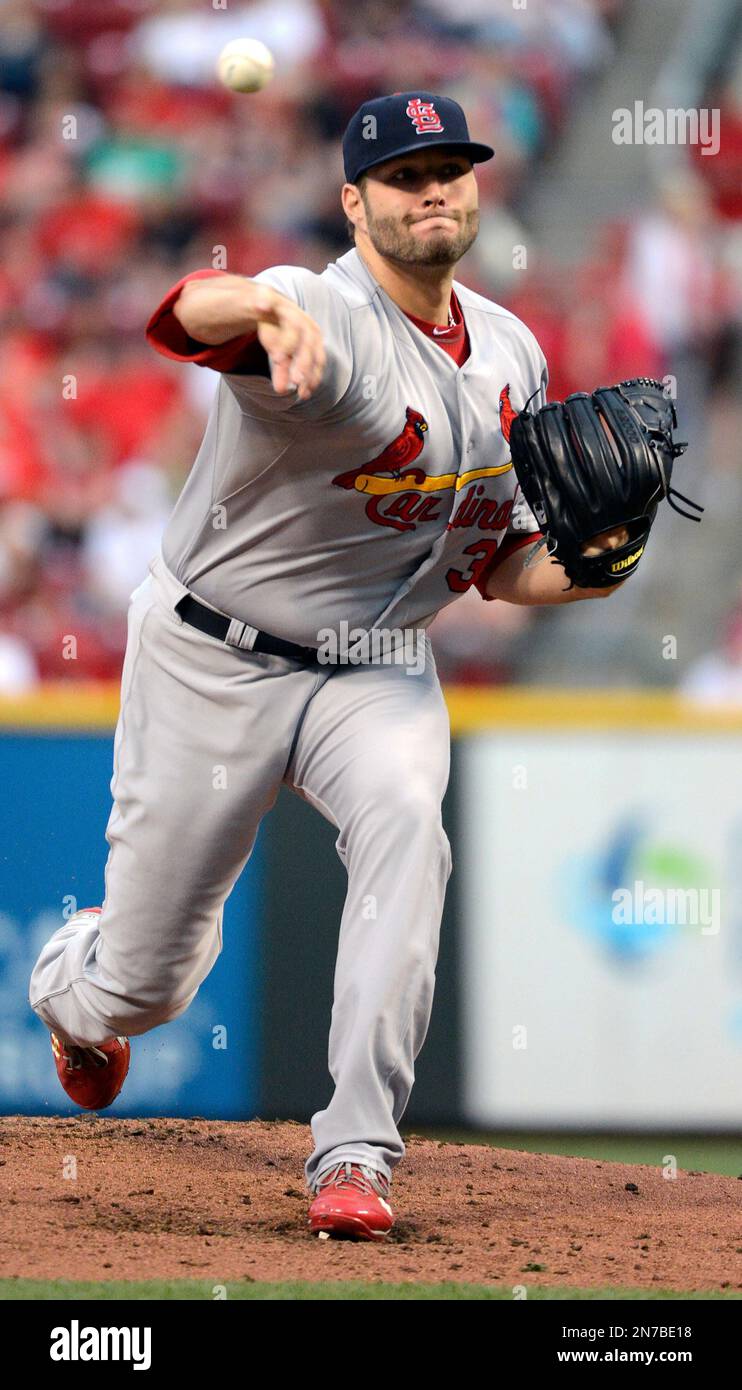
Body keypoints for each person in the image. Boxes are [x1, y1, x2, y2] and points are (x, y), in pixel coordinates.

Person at [29, 92, 627, 1241]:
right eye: (406, 175)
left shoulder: (515, 350)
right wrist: (255, 300)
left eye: (451, 167)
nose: (435, 188)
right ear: (354, 204)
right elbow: (188, 314)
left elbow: (503, 566)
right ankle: (78, 978)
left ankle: (355, 1152)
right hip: (217, 656)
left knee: (410, 822)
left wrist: (593, 568)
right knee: (142, 989)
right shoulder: (311, 307)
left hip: (376, 668)